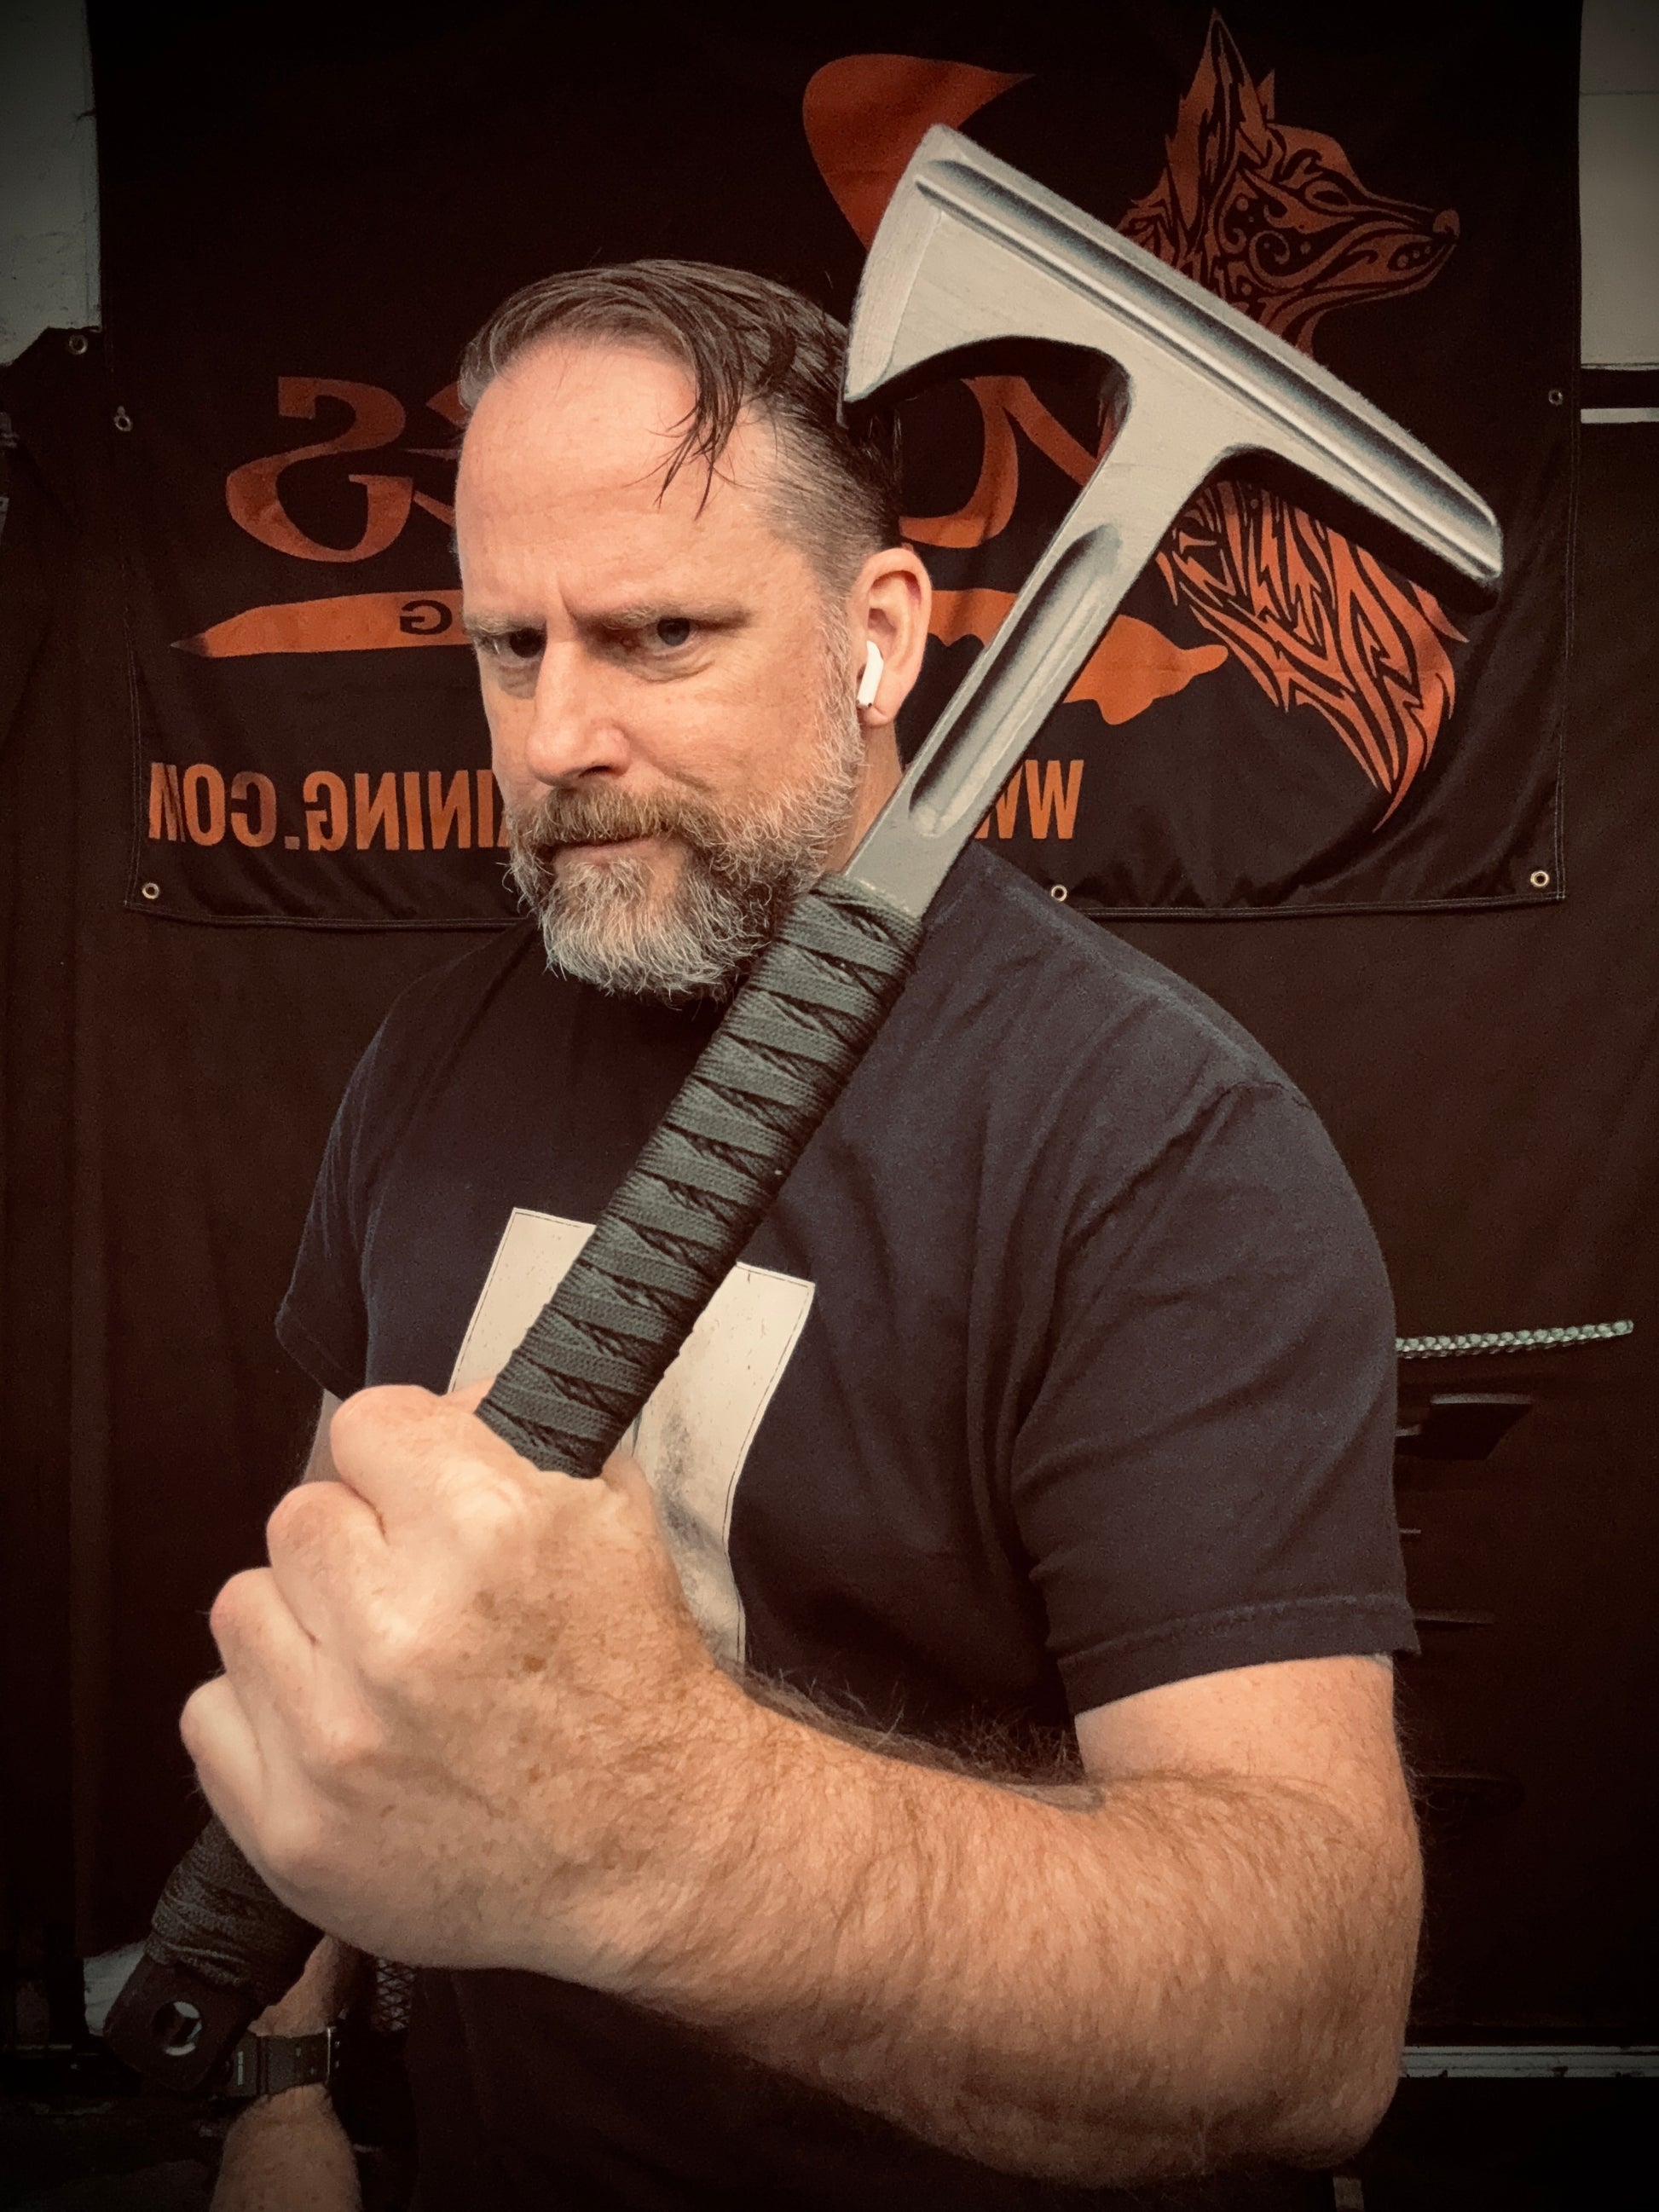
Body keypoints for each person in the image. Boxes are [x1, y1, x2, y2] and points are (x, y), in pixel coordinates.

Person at [187, 262, 1421, 2211]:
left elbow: (1306, 2011)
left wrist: (653, 1816)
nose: (557, 732)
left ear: (881, 632)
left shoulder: (1156, 1145)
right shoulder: (433, 1060)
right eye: (509, 645)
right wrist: (280, 2075)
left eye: (658, 633)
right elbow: (358, 1641)